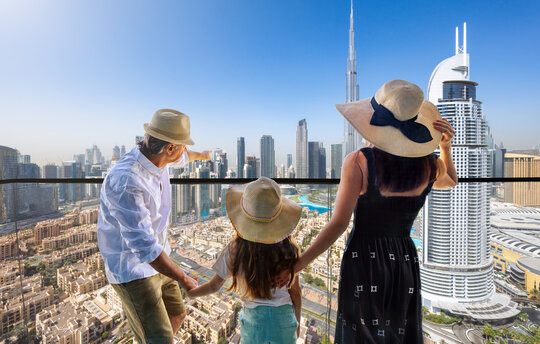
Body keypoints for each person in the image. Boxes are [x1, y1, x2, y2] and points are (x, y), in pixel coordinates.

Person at [295, 80, 458, 343]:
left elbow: (338, 224)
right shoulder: (430, 165)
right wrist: (445, 148)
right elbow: (450, 180)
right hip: (404, 258)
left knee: (362, 333)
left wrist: (300, 263)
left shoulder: (359, 161)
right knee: (399, 329)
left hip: (365, 259)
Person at [97, 109, 211, 344]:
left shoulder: (157, 155)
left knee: (178, 314)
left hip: (159, 258)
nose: (183, 151)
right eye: (182, 145)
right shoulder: (128, 181)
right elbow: (145, 248)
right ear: (170, 147)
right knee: (159, 339)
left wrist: (203, 155)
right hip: (133, 268)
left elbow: (184, 157)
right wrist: (184, 277)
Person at [187, 177, 303, 344]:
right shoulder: (289, 249)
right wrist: (296, 324)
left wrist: (191, 292)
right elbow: (296, 293)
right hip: (284, 322)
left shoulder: (234, 249)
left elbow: (214, 285)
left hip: (253, 322)